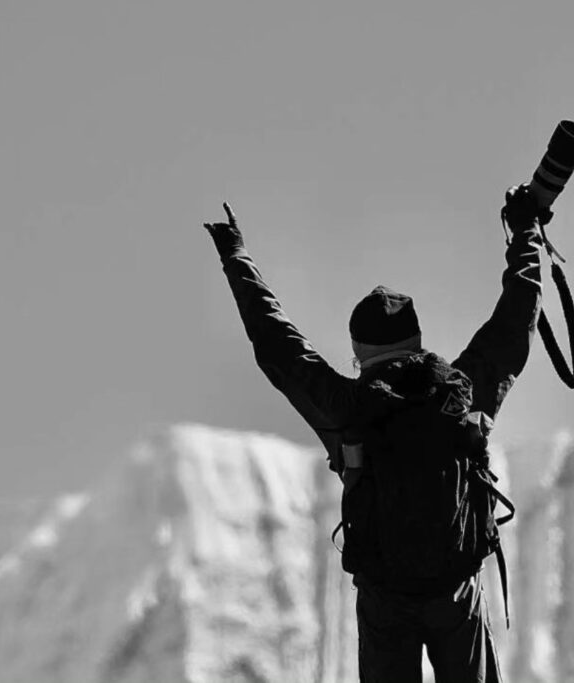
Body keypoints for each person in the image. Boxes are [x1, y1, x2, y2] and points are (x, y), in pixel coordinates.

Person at [204, 184, 546, 683]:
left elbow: (276, 343)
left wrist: (236, 256)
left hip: (385, 598)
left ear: (359, 351)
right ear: (418, 339)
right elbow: (518, 316)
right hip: (456, 588)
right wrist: (526, 234)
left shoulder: (347, 407)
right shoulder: (462, 391)